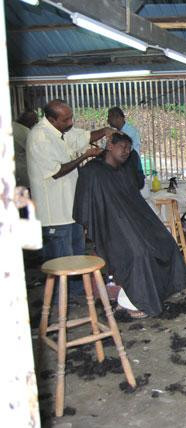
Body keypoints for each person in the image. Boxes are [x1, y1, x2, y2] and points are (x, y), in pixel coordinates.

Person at [73, 132, 186, 318]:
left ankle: (159, 291)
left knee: (165, 242)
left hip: (131, 224)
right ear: (110, 145)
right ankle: (131, 300)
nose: (127, 152)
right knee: (139, 254)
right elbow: (85, 207)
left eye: (129, 148)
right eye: (123, 147)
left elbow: (135, 203)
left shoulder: (123, 171)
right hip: (110, 230)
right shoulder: (92, 172)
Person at [27, 99, 114, 297]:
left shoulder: (62, 131)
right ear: (51, 119)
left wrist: (106, 130)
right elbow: (57, 172)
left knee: (77, 255)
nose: (70, 122)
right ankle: (61, 301)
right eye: (66, 119)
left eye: (71, 117)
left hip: (71, 209)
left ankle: (75, 294)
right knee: (62, 260)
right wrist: (85, 156)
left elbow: (83, 137)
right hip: (55, 213)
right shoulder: (40, 138)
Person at [108, 106, 143, 174]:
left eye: (109, 117)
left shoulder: (129, 132)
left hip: (130, 166)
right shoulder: (119, 132)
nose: (108, 120)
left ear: (118, 118)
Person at [12, 109, 38, 187]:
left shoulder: (10, 125)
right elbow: (35, 153)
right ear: (29, 121)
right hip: (22, 171)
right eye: (34, 121)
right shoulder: (26, 133)